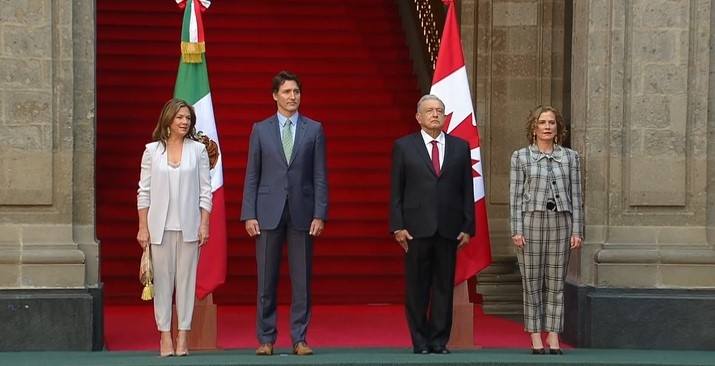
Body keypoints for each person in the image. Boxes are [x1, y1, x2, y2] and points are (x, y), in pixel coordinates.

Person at [241, 71, 328, 356]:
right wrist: (249, 214)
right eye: (287, 92)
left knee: (301, 280)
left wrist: (320, 214)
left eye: (296, 92)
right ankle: (266, 338)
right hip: (267, 212)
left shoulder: (313, 129)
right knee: (266, 279)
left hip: (303, 212)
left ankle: (299, 338)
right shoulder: (260, 129)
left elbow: (320, 177)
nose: (293, 97)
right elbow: (252, 175)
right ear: (275, 95)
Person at [389, 94, 475, 355]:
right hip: (415, 228)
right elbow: (396, 190)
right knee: (417, 287)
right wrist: (397, 226)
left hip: (449, 228)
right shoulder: (404, 147)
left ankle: (438, 340)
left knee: (443, 287)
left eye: (439, 110)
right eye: (430, 111)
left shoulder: (460, 147)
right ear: (419, 117)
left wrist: (468, 225)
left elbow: (466, 189)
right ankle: (420, 341)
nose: (435, 114)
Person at [136, 98, 212, 357]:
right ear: (168, 119)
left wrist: (204, 224)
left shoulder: (198, 150)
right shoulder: (151, 151)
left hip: (190, 227)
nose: (184, 122)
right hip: (159, 227)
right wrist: (142, 227)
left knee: (187, 283)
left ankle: (183, 335)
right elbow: (143, 192)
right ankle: (165, 335)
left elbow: (205, 191)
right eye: (180, 117)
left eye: (188, 118)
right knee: (164, 284)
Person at [509, 105, 583, 355]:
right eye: (542, 122)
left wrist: (577, 230)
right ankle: (534, 334)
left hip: (561, 222)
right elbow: (516, 196)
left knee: (556, 282)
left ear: (557, 128)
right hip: (531, 222)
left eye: (551, 123)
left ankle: (553, 333)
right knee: (531, 281)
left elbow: (576, 195)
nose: (547, 127)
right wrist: (516, 229)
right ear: (534, 128)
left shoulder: (570, 157)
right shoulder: (520, 157)